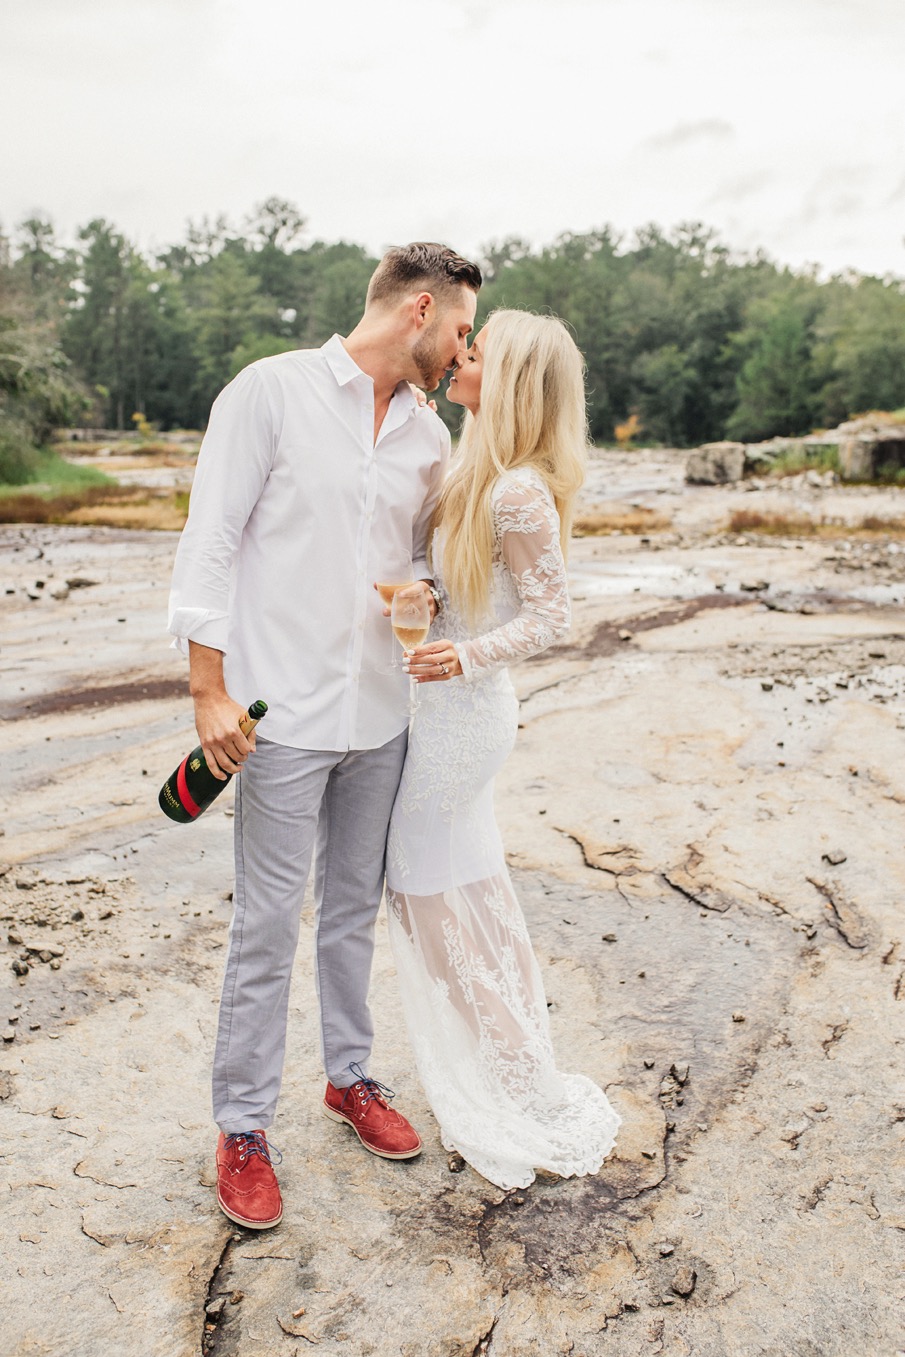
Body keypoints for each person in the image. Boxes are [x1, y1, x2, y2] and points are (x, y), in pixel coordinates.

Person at [167, 243, 482, 1229]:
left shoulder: (431, 437)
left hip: (380, 715)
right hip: (280, 718)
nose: (462, 347)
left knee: (350, 910)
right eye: (460, 329)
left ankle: (348, 1077)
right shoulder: (270, 393)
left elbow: (428, 565)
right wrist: (208, 691)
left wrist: (424, 591)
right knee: (266, 926)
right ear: (418, 310)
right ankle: (241, 1125)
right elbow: (210, 538)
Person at [385, 310, 621, 1191]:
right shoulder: (471, 466)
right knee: (465, 890)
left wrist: (463, 653)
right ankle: (515, 1067)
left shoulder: (516, 488)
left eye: (477, 352)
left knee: (427, 896)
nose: (460, 357)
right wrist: (426, 599)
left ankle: (513, 1082)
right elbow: (465, 588)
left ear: (512, 378)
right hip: (440, 710)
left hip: (464, 714)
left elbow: (554, 614)